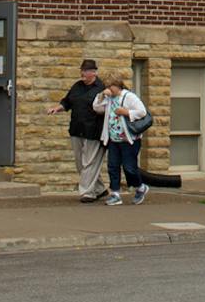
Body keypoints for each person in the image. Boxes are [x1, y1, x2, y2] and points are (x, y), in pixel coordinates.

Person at [49, 59, 109, 201]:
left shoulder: (102, 88)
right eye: (82, 70)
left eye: (86, 71)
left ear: (94, 72)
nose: (83, 73)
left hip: (94, 131)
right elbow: (67, 102)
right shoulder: (77, 86)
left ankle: (87, 193)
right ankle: (99, 189)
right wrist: (57, 108)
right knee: (80, 162)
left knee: (90, 162)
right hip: (76, 129)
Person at [92, 77, 151, 205]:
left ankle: (140, 187)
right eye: (106, 87)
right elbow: (96, 107)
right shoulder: (108, 99)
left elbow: (142, 112)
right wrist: (101, 95)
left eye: (110, 86)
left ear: (118, 86)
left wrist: (126, 112)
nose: (108, 89)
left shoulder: (129, 97)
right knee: (113, 166)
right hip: (113, 139)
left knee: (129, 167)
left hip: (128, 139)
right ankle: (115, 194)